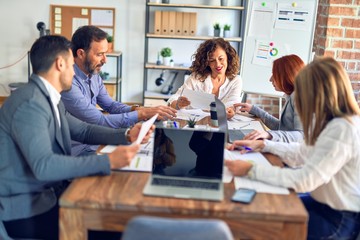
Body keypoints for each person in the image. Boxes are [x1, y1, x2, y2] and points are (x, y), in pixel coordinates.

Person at [0, 35, 154, 240]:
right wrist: (108, 161)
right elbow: (45, 165)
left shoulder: (48, 98)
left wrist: (126, 135)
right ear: (60, 63)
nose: (74, 72)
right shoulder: (30, 103)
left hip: (47, 197)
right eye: (72, 65)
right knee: (111, 229)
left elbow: (84, 130)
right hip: (27, 211)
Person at [225, 57, 360, 240]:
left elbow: (305, 180)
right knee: (268, 214)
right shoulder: (330, 122)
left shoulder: (343, 128)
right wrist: (264, 144)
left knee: (266, 229)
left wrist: (251, 170)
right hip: (321, 203)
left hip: (339, 218)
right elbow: (302, 153)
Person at [61, 25, 176, 155]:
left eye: (105, 54)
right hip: (78, 150)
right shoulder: (68, 82)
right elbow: (99, 121)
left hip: (97, 142)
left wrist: (138, 109)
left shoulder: (93, 75)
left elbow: (110, 105)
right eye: (100, 54)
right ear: (81, 53)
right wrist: (143, 114)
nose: (105, 60)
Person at [234, 54, 305, 142]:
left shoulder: (301, 97)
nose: (270, 79)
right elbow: (281, 128)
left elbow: (301, 136)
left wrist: (269, 134)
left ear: (286, 76)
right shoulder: (291, 95)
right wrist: (254, 110)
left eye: (274, 74)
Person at [167, 38, 242, 119]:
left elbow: (234, 103)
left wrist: (230, 110)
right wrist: (178, 104)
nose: (217, 64)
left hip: (223, 124)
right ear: (206, 62)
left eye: (221, 59)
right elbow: (173, 99)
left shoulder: (235, 80)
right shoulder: (196, 78)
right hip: (197, 124)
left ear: (228, 57)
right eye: (212, 60)